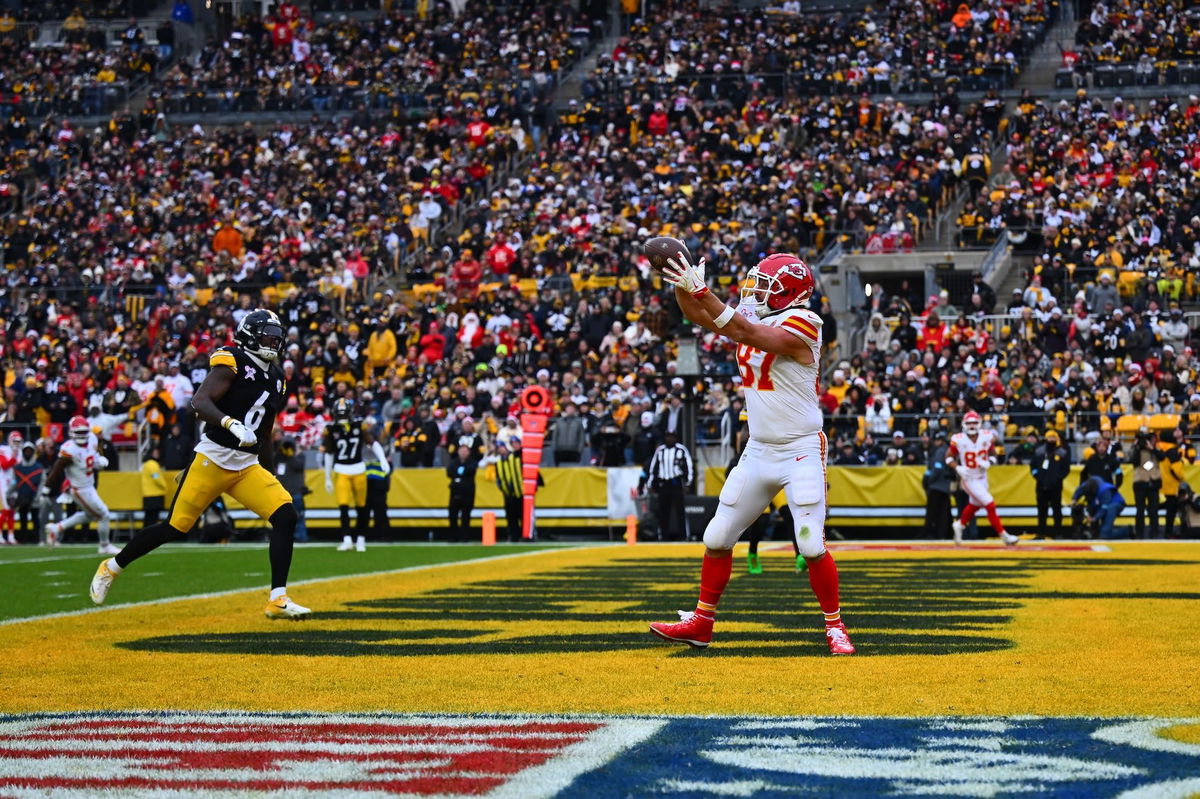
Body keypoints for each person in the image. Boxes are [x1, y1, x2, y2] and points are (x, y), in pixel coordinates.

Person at [649, 251, 855, 656]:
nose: (755, 292)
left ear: (791, 294)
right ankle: (702, 623)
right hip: (759, 447)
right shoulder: (754, 312)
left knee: (811, 542)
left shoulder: (806, 322)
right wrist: (681, 281)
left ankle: (835, 627)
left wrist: (703, 292)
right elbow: (700, 315)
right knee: (717, 535)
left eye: (767, 287)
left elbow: (749, 334)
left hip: (800, 448)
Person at [87, 309, 310, 620]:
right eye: (267, 335)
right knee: (175, 527)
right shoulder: (232, 359)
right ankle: (112, 566)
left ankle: (278, 598)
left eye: (276, 336)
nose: (273, 341)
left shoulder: (276, 377)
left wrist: (269, 471)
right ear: (249, 334)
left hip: (246, 465)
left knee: (285, 516)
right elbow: (200, 401)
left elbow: (266, 432)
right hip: (214, 457)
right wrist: (230, 424)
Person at [43, 416, 117, 554]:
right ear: (71, 433)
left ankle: (56, 528)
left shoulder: (93, 439)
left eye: (84, 432)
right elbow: (56, 470)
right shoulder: (69, 450)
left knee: (89, 515)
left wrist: (98, 462)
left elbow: (91, 459)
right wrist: (46, 490)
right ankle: (104, 545)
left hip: (88, 485)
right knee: (104, 514)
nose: (82, 435)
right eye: (79, 433)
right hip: (78, 489)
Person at [324, 396, 387, 552]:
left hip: (358, 468)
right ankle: (347, 539)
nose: (342, 417)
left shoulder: (359, 426)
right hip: (340, 469)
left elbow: (373, 443)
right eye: (340, 414)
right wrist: (327, 477)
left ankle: (360, 539)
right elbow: (329, 453)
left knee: (362, 507)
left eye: (344, 413)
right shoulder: (331, 429)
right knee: (343, 506)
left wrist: (383, 459)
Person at [948, 411, 1018, 546]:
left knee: (975, 505)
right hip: (969, 477)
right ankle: (1004, 536)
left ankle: (960, 524)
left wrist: (990, 462)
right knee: (990, 504)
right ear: (964, 424)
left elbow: (992, 453)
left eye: (974, 422)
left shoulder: (986, 436)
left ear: (979, 423)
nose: (972, 425)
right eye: (969, 423)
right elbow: (948, 457)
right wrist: (957, 468)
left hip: (982, 477)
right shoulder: (959, 439)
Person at [638, 429, 694, 541]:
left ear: (676, 438)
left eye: (672, 436)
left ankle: (684, 536)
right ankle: (663, 536)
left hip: (676, 482)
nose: (670, 439)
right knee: (663, 512)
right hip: (664, 484)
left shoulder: (681, 450)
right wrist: (650, 484)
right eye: (668, 436)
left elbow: (689, 467)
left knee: (680, 511)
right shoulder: (660, 451)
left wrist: (687, 483)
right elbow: (654, 468)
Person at [1030, 430, 1070, 537]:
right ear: (1046, 439)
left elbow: (1066, 469)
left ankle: (1058, 533)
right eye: (1049, 437)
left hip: (1056, 487)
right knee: (1042, 511)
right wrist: (1038, 476)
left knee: (1057, 510)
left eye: (1053, 437)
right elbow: (1032, 466)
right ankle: (1041, 533)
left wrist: (1057, 479)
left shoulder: (1062, 453)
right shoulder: (1039, 452)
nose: (1051, 439)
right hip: (1041, 485)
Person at [1129, 426, 1162, 539]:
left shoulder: (1156, 449)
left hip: (1154, 481)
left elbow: (1162, 458)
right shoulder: (1135, 449)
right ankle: (1140, 533)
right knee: (1140, 510)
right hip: (1140, 482)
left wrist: (1152, 448)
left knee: (1153, 510)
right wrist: (1137, 447)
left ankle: (1155, 533)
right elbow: (1133, 462)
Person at [275, 436, 309, 542]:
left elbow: (299, 465)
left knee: (298, 516)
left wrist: (291, 455)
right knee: (282, 517)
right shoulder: (279, 456)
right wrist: (281, 450)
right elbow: (272, 460)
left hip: (296, 492)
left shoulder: (299, 455)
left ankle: (301, 537)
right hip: (282, 493)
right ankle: (284, 538)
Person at [923, 429, 953, 540]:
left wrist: (928, 481)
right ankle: (943, 534)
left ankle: (930, 534)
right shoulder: (944, 450)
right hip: (944, 486)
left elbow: (937, 468)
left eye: (938, 440)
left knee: (933, 513)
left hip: (937, 486)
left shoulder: (940, 451)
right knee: (944, 513)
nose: (936, 442)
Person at [12, 440, 43, 543]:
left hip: (34, 497)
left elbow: (42, 482)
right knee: (23, 519)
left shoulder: (38, 467)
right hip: (22, 497)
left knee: (35, 519)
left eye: (30, 451)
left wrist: (38, 496)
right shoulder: (18, 468)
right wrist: (10, 494)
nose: (28, 453)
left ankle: (36, 538)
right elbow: (14, 483)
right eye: (26, 451)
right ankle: (23, 538)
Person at [494, 441, 525, 542]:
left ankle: (525, 534)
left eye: (502, 447)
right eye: (498, 448)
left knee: (522, 515)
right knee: (511, 516)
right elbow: (499, 477)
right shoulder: (498, 462)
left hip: (520, 491)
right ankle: (513, 535)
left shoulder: (516, 457)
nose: (500, 449)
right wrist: (502, 487)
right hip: (507, 493)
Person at [446, 446, 477, 541]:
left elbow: (470, 470)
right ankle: (453, 536)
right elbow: (449, 472)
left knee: (466, 515)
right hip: (455, 491)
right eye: (461, 450)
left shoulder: (472, 462)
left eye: (465, 451)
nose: (463, 452)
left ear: (469, 452)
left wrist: (459, 473)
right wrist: (462, 472)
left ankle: (464, 537)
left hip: (467, 492)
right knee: (453, 515)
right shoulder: (453, 461)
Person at [364, 447, 391, 537]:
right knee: (364, 513)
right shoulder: (361, 450)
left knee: (380, 513)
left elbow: (389, 468)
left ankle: (383, 535)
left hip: (379, 486)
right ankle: (362, 536)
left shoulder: (382, 450)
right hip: (366, 485)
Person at [140, 446, 169, 529]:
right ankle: (149, 535)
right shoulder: (153, 464)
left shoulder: (146, 464)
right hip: (154, 494)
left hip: (147, 494)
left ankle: (144, 535)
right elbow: (157, 477)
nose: (157, 454)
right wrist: (165, 487)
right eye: (155, 452)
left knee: (148, 517)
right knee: (153, 518)